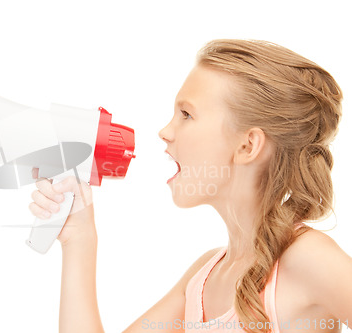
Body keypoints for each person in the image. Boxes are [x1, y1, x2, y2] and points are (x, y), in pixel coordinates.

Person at [28, 39, 352, 333]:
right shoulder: (202, 279)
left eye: (186, 114)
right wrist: (79, 240)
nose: (165, 131)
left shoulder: (308, 259)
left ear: (247, 146)